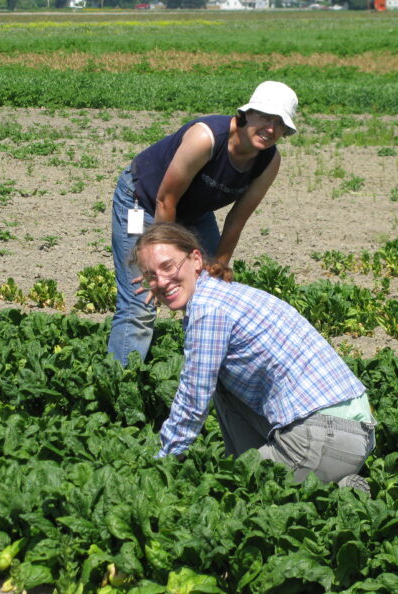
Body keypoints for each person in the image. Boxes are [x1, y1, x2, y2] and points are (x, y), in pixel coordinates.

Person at [134, 223, 377, 493]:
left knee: (230, 491)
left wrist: (162, 465)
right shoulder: (223, 294)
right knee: (223, 389)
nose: (161, 281)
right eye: (151, 276)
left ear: (196, 260)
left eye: (168, 267)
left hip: (322, 437)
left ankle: (332, 494)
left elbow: (193, 397)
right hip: (349, 435)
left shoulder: (208, 308)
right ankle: (334, 486)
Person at [108, 81, 299, 366]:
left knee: (211, 294)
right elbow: (165, 200)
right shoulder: (207, 137)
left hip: (194, 211)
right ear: (247, 114)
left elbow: (236, 220)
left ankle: (196, 372)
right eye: (265, 117)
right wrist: (165, 264)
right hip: (143, 203)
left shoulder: (268, 161)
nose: (271, 129)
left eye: (280, 123)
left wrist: (218, 268)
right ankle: (119, 386)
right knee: (141, 300)